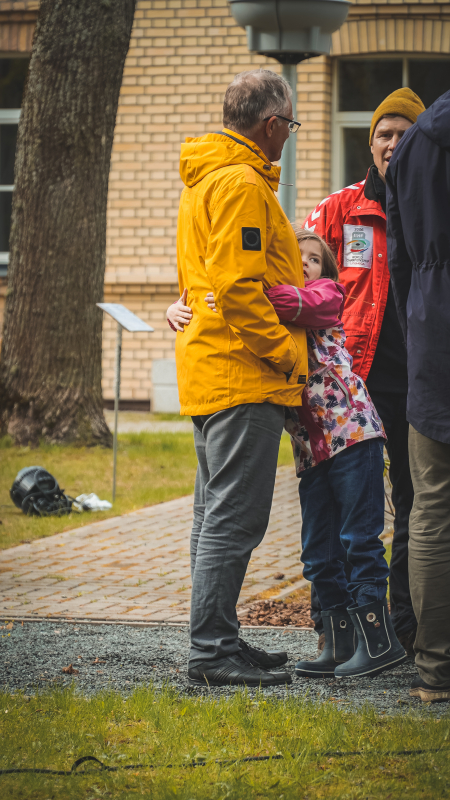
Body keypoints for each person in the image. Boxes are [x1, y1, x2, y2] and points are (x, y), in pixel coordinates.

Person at [189, 226, 406, 678]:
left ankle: (379, 642)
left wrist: (253, 296)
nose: (304, 264)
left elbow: (307, 302)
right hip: (311, 452)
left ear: (324, 268)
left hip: (353, 436)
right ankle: (339, 644)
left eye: (311, 258)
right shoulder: (276, 314)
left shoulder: (323, 295)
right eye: (294, 257)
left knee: (358, 541)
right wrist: (188, 305)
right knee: (319, 553)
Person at [172, 69, 309, 687]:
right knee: (234, 518)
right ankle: (210, 654)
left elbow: (203, 282)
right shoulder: (242, 185)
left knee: (213, 515)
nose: (288, 138)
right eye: (290, 126)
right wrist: (287, 354)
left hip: (210, 371)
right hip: (243, 375)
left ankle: (219, 639)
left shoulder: (205, 180)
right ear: (271, 124)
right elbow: (237, 289)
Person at [303, 88, 426, 655]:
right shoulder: (338, 208)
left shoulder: (434, 202)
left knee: (409, 498)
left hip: (416, 380)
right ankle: (337, 622)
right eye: (384, 133)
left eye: (405, 133)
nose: (393, 143)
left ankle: (401, 623)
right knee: (334, 500)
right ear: (370, 141)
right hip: (346, 386)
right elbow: (286, 271)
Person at [386, 89, 450, 703]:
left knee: (431, 509)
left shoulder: (412, 144)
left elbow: (400, 262)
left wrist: (420, 338)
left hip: (433, 341)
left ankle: (435, 669)